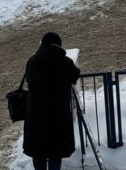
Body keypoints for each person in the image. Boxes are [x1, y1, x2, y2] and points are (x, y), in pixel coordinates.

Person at [23, 32, 80, 170]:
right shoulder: (65, 63)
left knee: (38, 153)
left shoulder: (32, 61)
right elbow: (75, 74)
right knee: (56, 153)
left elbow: (29, 80)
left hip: (37, 117)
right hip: (58, 117)